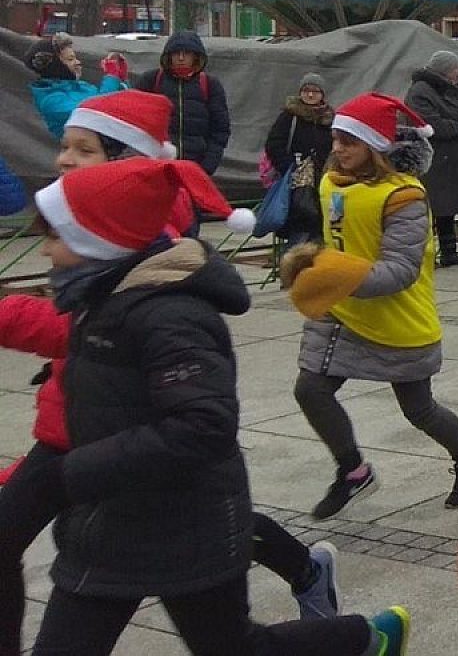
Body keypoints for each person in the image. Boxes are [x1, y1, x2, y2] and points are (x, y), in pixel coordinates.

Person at [0, 93, 344, 652]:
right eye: (64, 146)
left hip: (114, 447)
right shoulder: (91, 238)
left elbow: (125, 350)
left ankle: (310, 578)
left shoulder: (146, 244)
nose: (64, 160)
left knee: (204, 534)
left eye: (82, 150)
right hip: (86, 432)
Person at [27, 158, 410, 656]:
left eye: (55, 236)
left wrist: (75, 472)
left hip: (189, 524)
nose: (45, 250)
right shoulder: (98, 300)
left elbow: (203, 425)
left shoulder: (169, 316)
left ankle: (364, 638)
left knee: (233, 648)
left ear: (97, 240)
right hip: (109, 524)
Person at [282, 93, 458, 519]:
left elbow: (399, 270)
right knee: (310, 389)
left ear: (376, 147)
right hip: (341, 313)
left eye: (349, 142)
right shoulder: (331, 183)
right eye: (336, 139)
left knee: (419, 409)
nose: (338, 149)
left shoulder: (405, 197)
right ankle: (353, 472)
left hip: (397, 316)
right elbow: (337, 242)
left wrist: (332, 275)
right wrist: (312, 265)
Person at [405, 50, 458, 268]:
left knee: (447, 208)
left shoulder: (454, 88)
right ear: (445, 70)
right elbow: (429, 124)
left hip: (452, 157)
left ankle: (449, 252)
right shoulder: (420, 92)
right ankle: (429, 253)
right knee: (433, 206)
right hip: (435, 158)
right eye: (455, 68)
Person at [134, 30, 230, 176]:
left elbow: (220, 130)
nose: (180, 58)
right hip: (155, 167)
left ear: (196, 57)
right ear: (168, 56)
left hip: (195, 167)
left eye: (187, 53)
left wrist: (207, 167)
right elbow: (134, 123)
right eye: (176, 53)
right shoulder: (151, 80)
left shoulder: (210, 85)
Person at [266, 73, 337, 249]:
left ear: (323, 95)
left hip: (324, 181)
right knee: (300, 230)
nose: (310, 95)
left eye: (315, 91)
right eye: (306, 90)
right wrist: (288, 167)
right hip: (296, 185)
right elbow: (274, 144)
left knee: (321, 231)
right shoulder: (290, 116)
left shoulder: (330, 118)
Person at [26, 33, 123, 138]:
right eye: (70, 59)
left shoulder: (82, 85)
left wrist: (122, 79)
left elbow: (118, 106)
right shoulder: (51, 100)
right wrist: (112, 76)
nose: (78, 62)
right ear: (56, 66)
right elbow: (97, 112)